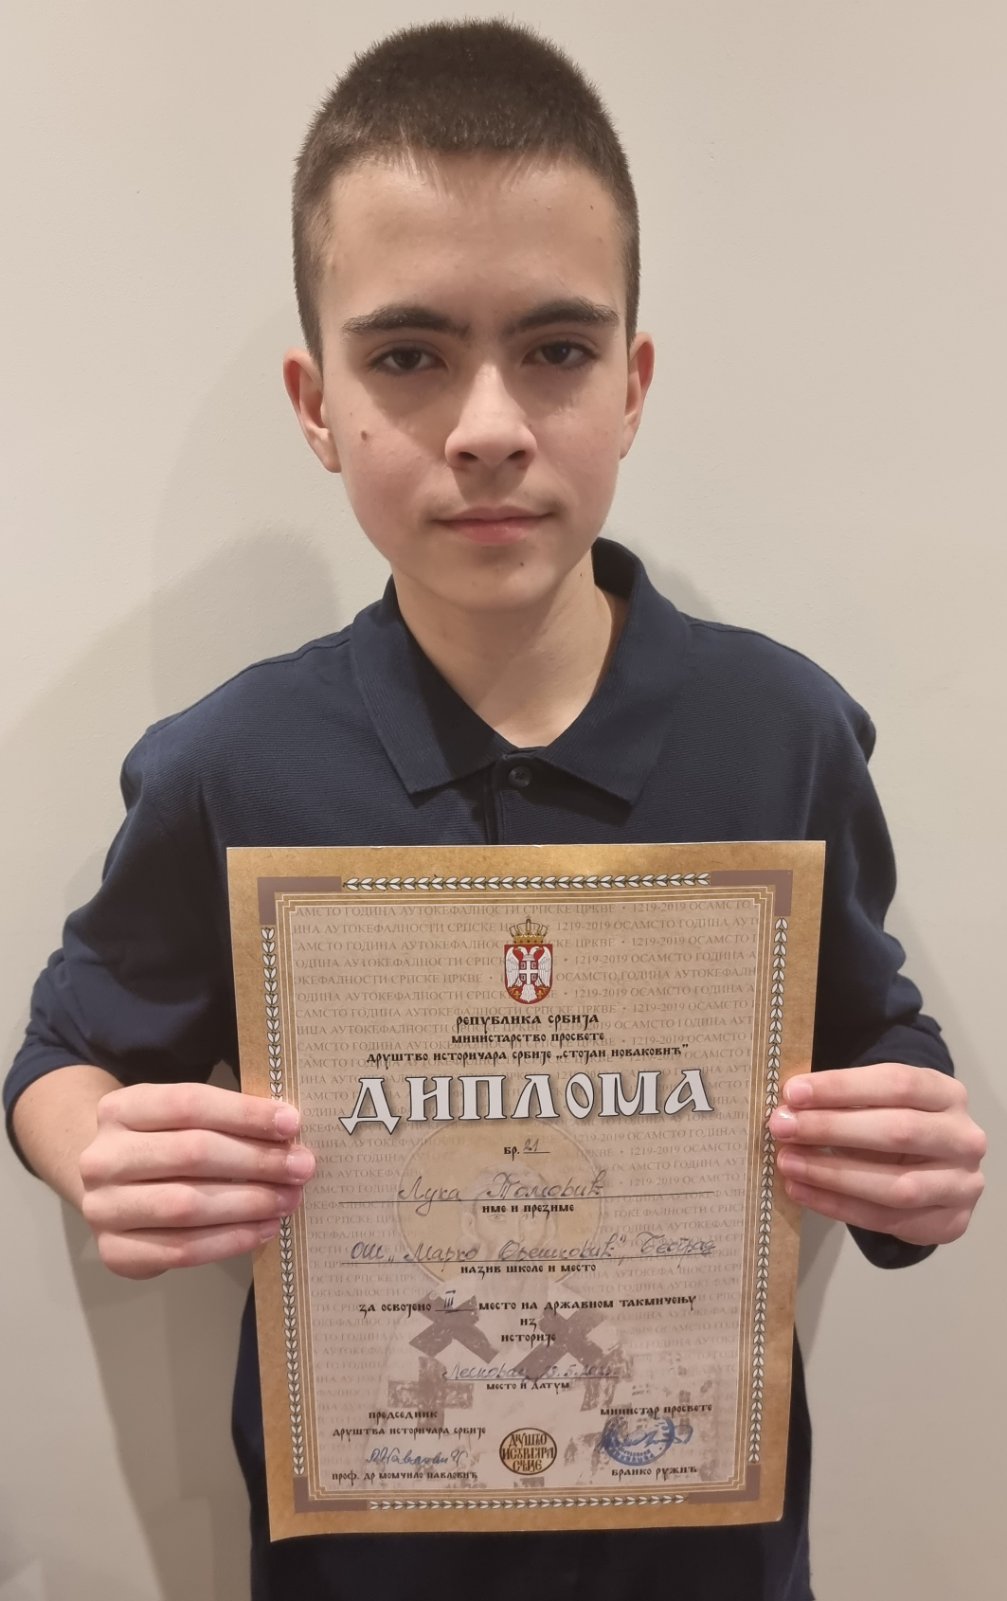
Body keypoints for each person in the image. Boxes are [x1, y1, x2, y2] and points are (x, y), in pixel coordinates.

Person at [3, 17, 985, 1601]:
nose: (486, 424)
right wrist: (92, 1146)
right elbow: (61, 1054)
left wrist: (914, 1158)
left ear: (633, 382)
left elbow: (877, 1044)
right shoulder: (235, 762)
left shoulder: (780, 731)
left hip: (705, 1557)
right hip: (361, 1557)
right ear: (316, 404)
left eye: (556, 349)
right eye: (408, 357)